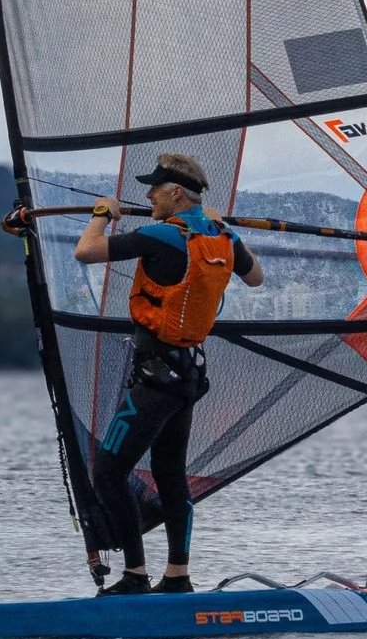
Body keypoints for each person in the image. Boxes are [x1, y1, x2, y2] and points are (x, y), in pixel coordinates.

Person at [72, 151, 263, 596]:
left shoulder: (161, 235)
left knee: (109, 473)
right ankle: (177, 575)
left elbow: (85, 251)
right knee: (169, 473)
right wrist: (226, 229)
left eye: (155, 189)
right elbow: (255, 277)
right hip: (189, 376)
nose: (149, 196)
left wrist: (101, 215)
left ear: (176, 192)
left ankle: (135, 576)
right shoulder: (222, 237)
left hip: (157, 379)